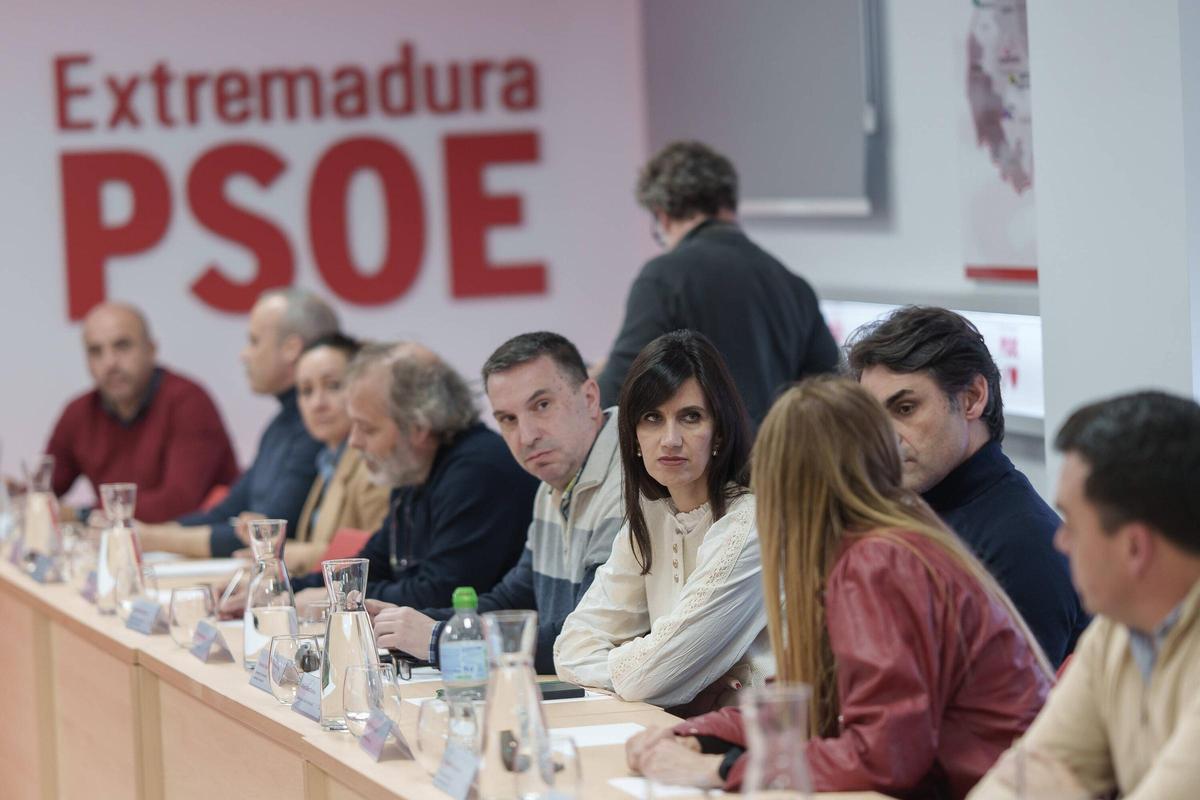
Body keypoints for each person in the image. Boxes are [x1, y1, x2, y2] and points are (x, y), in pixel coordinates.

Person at [628, 377, 1052, 800]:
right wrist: (696, 734)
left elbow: (883, 758)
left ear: (786, 485)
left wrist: (721, 768)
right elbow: (807, 703)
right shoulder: (892, 540)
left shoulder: (878, 562)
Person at [969, 391, 1200, 800]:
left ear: (1134, 548)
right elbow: (1016, 779)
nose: (1060, 541)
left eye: (1072, 525)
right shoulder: (1116, 630)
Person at [370, 332, 624, 675]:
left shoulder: (630, 481)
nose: (527, 436)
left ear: (590, 398)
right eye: (508, 419)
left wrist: (440, 638)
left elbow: (585, 639)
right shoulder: (553, 482)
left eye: (542, 405)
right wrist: (406, 623)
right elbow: (514, 600)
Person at [848, 305, 1087, 666]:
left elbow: (1009, 703)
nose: (884, 437)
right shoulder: (908, 513)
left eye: (905, 408)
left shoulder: (1022, 545)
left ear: (972, 398)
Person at [555, 330, 771, 712]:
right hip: (689, 730)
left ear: (719, 433)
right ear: (634, 437)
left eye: (690, 417)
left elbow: (654, 678)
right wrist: (688, 682)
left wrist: (668, 676)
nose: (670, 439)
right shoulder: (651, 516)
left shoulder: (750, 524)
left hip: (773, 737)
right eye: (652, 418)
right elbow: (570, 649)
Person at [595, 140, 838, 425]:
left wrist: (592, 383)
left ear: (662, 215)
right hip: (779, 451)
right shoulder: (794, 286)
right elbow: (832, 393)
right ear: (728, 202)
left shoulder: (663, 278)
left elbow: (619, 390)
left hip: (708, 452)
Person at [290, 341, 537, 610]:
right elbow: (371, 566)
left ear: (418, 427)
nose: (354, 442)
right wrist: (288, 589)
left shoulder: (478, 472)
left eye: (367, 429)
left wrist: (337, 596)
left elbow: (439, 594)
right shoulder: (413, 467)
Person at [138, 289, 336, 557]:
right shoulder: (279, 426)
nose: (244, 355)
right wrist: (150, 534)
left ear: (291, 349)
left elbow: (269, 532)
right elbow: (228, 511)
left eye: (254, 341)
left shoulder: (317, 428)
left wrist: (151, 538)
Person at [39, 302, 238, 522]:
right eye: (96, 352)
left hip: (198, 541)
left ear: (151, 349)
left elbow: (178, 503)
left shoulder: (189, 402)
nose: (110, 363)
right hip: (122, 539)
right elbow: (42, 491)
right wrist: (20, 495)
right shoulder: (79, 412)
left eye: (122, 346)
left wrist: (83, 514)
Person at [233, 333, 390, 575]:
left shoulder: (374, 463)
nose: (318, 403)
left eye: (334, 386)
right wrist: (274, 545)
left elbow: (378, 554)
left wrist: (285, 554)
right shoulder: (329, 459)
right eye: (306, 391)